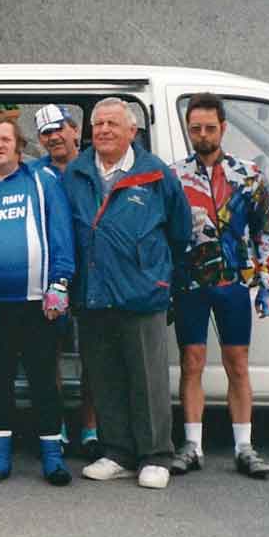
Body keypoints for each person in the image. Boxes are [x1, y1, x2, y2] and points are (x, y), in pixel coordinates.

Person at [64, 97, 191, 490]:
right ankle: (117, 452)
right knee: (105, 377)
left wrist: (157, 276)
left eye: (112, 124)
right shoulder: (77, 172)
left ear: (132, 131)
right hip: (93, 292)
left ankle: (156, 456)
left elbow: (180, 231)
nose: (103, 130)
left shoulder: (155, 174)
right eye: (98, 124)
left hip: (141, 292)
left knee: (148, 379)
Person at [170, 92, 269, 480]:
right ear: (188, 130)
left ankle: (244, 447)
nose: (203, 135)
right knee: (192, 362)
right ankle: (192, 445)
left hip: (233, 281)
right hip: (190, 283)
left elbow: (266, 231)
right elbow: (164, 234)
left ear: (223, 128)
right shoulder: (174, 176)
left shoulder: (247, 174)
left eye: (210, 128)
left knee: (237, 362)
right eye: (195, 129)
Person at [0, 117, 75, 486]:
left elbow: (61, 234)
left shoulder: (42, 182)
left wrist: (59, 283)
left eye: (5, 139)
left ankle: (52, 456)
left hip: (36, 303)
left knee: (44, 382)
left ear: (19, 146)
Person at [34, 103, 100, 458]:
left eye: (60, 128)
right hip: (51, 275)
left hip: (92, 273)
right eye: (46, 133)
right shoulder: (34, 172)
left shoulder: (94, 166)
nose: (54, 137)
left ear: (75, 130)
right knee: (52, 353)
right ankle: (56, 426)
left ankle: (90, 428)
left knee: (93, 354)